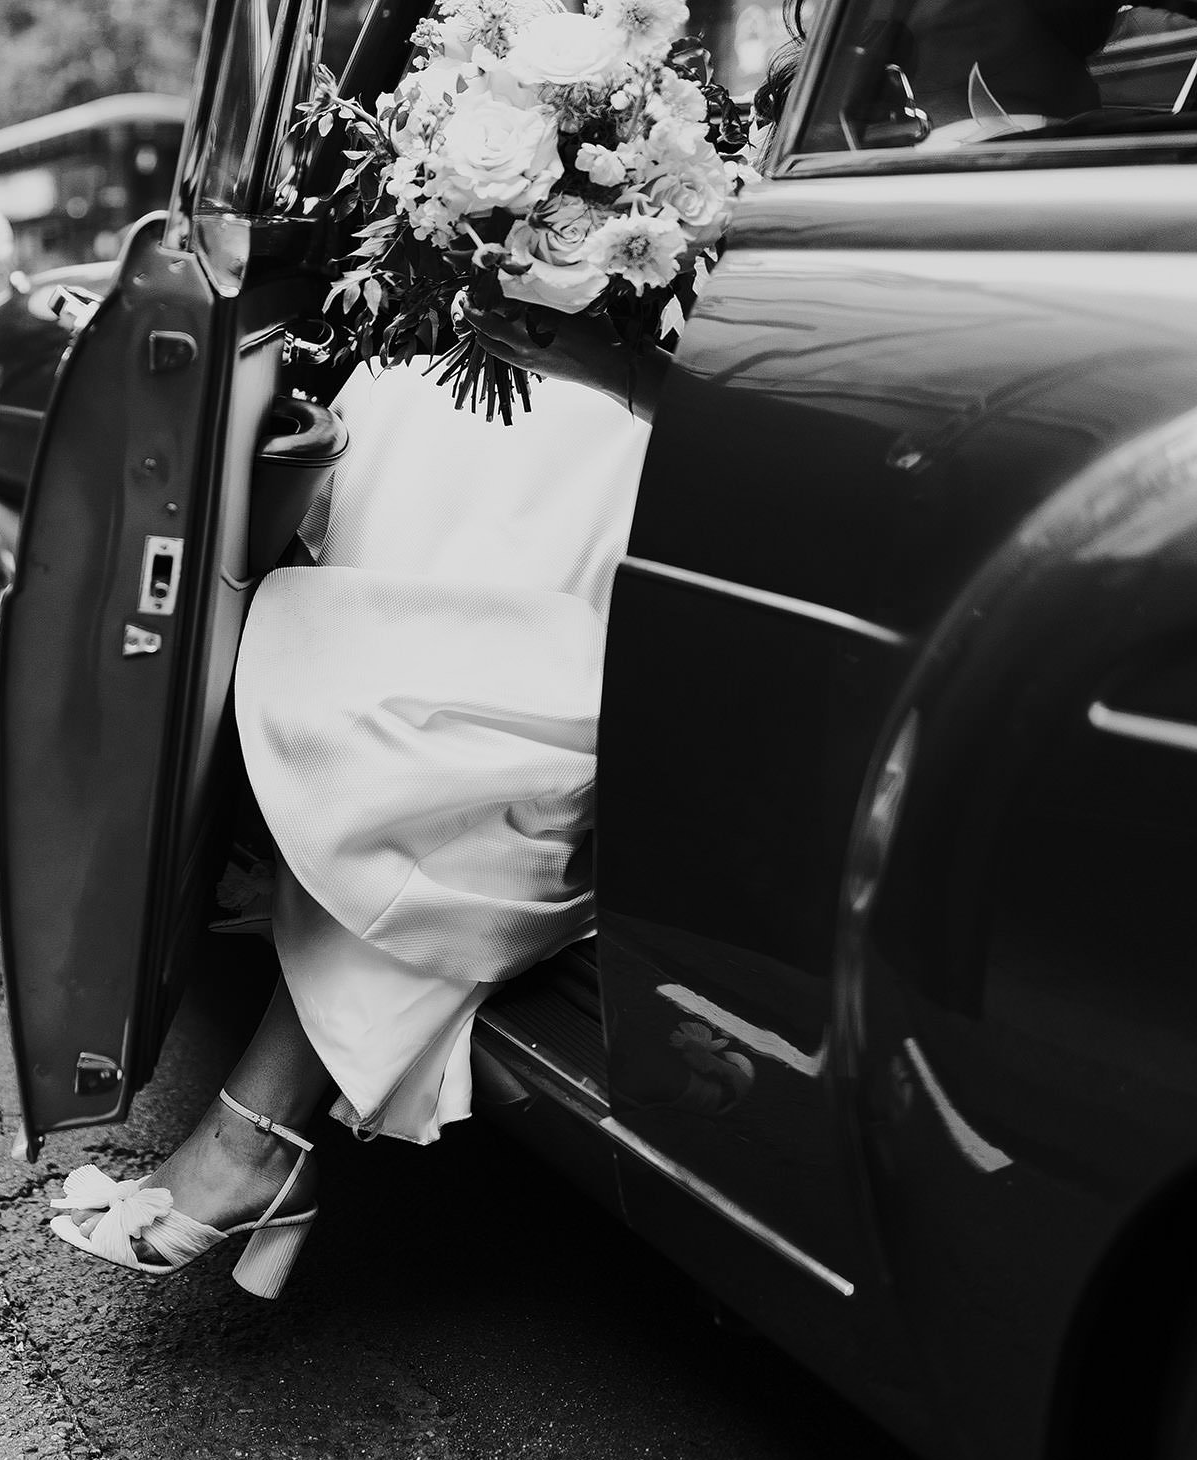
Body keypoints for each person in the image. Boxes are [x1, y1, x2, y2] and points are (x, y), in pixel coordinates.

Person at [48, 11, 811, 1301]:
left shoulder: (782, 55)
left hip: (721, 378)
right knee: (418, 421)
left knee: (501, 476)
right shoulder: (582, 42)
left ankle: (260, 1135)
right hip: (547, 356)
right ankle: (272, 1103)